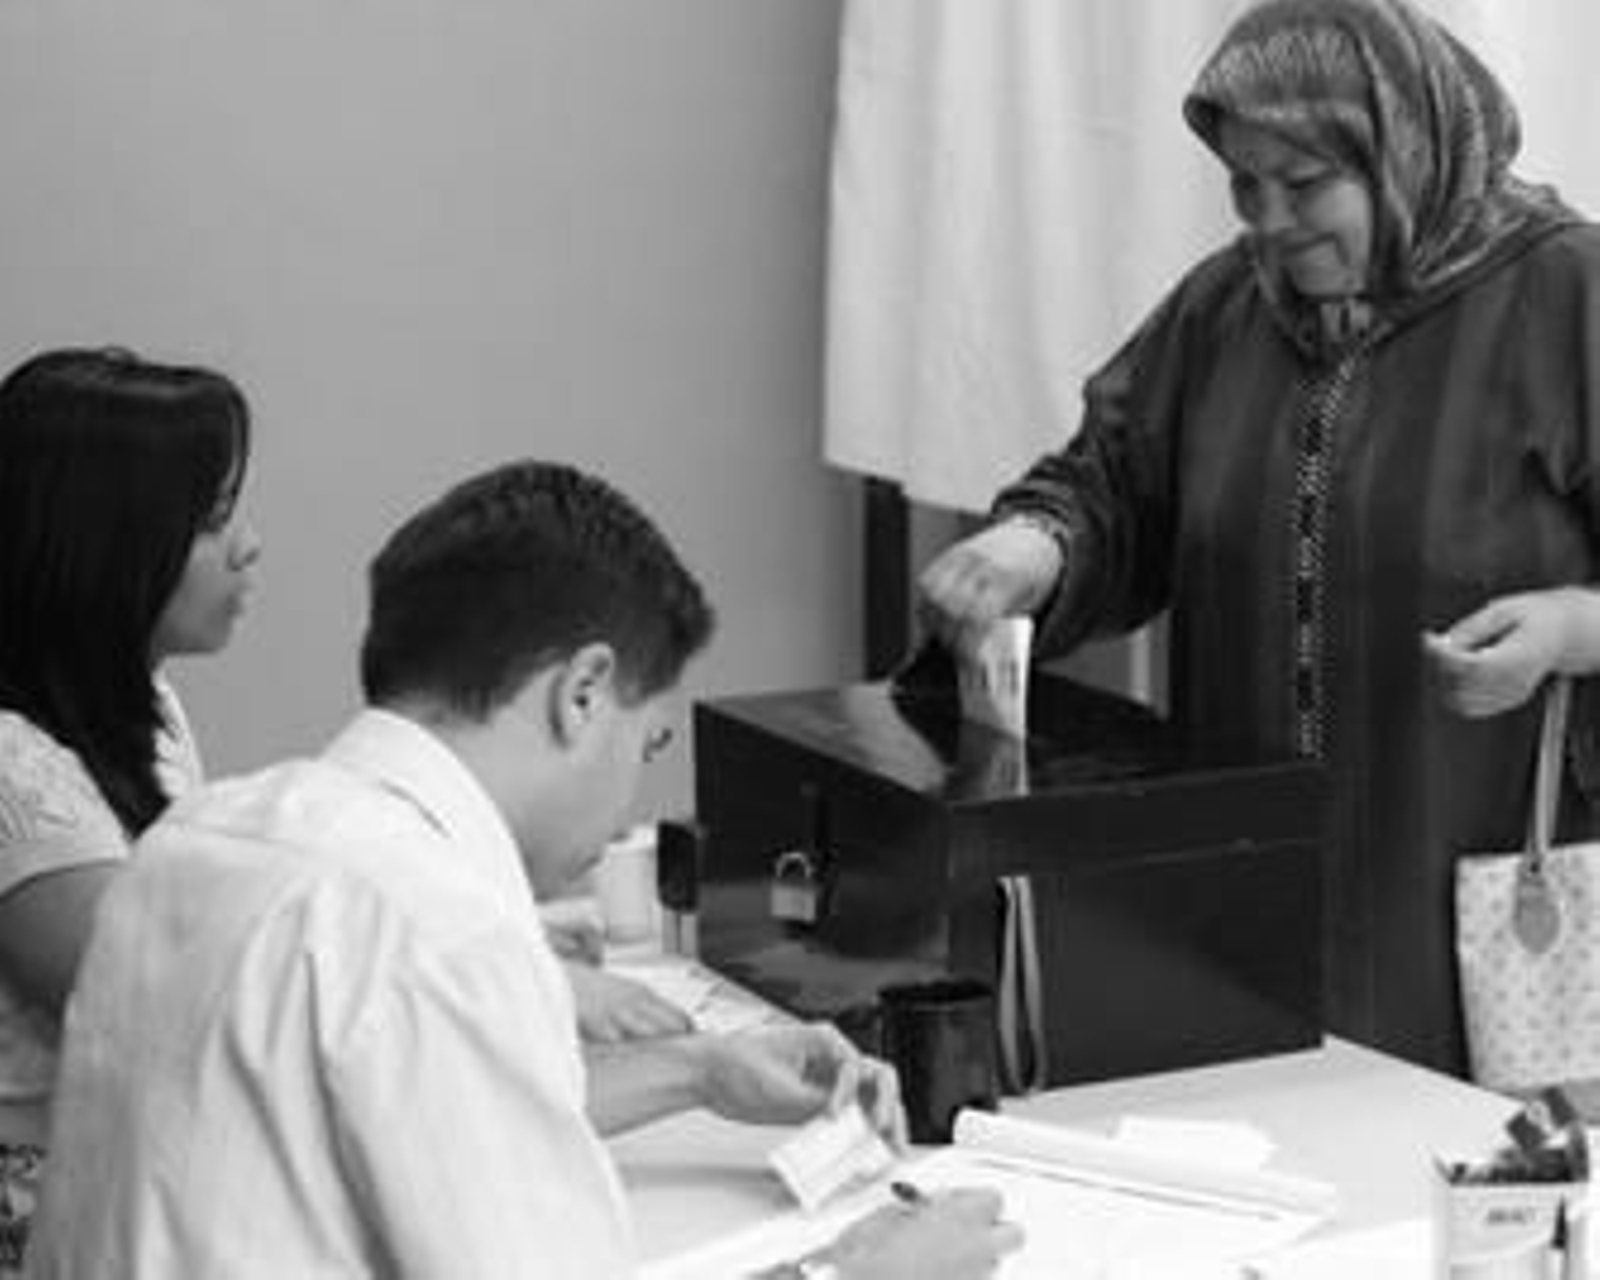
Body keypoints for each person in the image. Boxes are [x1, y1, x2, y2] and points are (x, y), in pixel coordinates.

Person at [29, 461, 1020, 1278]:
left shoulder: (202, 839)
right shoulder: (436, 926)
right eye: (647, 739)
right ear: (582, 693)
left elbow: (393, 1111)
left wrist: (698, 1067)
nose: (631, 797)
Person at [918, 0, 1600, 1077]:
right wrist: (1038, 545)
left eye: (1306, 181)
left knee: (1458, 1162)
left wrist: (1571, 627)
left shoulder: (1564, 295)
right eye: (1245, 184)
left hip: (1478, 879)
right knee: (1261, 1134)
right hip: (1244, 885)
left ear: (1404, 149)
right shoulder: (1226, 308)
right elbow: (1112, 486)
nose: (1270, 220)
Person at [0, 348, 260, 1276]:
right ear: (106, 544)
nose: (249, 547)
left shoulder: (142, 705)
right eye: (213, 521)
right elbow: (173, 1000)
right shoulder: (10, 765)